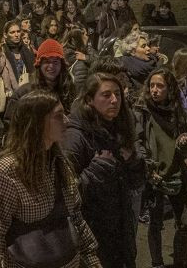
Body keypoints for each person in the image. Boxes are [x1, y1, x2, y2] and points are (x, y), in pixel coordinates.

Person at [0, 90, 101, 268]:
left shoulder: (58, 162)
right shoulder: (7, 172)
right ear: (37, 123)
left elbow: (75, 217)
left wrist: (92, 259)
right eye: (58, 116)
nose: (66, 120)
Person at [64, 73, 144, 268]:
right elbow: (63, 191)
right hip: (91, 232)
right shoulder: (76, 135)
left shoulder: (120, 129)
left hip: (119, 230)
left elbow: (136, 183)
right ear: (90, 100)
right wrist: (94, 172)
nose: (114, 100)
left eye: (117, 94)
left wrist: (134, 161)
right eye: (106, 95)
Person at [134, 68, 187, 268]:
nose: (155, 90)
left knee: (185, 221)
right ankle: (157, 263)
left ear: (170, 89)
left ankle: (179, 260)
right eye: (152, 85)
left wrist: (186, 139)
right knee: (155, 223)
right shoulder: (142, 110)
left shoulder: (177, 110)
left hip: (177, 173)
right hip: (155, 175)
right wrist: (148, 169)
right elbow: (138, 141)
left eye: (160, 86)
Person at [5, 39, 74, 128]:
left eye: (55, 62)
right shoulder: (24, 93)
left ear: (61, 64)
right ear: (39, 64)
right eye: (47, 61)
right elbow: (10, 124)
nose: (51, 66)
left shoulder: (68, 90)